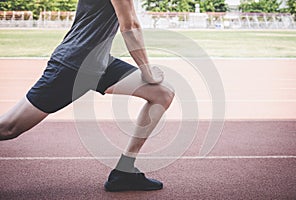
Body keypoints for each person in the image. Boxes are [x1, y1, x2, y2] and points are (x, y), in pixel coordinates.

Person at [0, 0, 174, 192]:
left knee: (162, 93)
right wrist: (147, 71)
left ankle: (124, 172)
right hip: (74, 64)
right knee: (9, 128)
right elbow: (130, 25)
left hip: (98, 63)